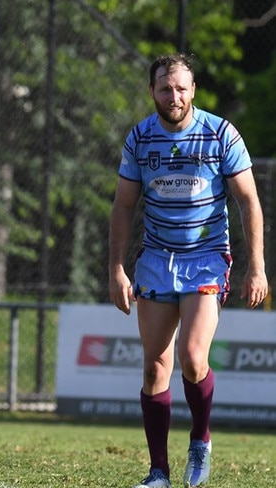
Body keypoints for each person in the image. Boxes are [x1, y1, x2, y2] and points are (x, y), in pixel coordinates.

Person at [108, 53, 268, 488]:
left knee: (193, 358)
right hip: (157, 260)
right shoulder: (140, 138)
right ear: (152, 92)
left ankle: (200, 438)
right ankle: (158, 471)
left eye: (181, 87)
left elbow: (249, 201)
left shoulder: (220, 133)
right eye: (165, 88)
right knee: (153, 368)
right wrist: (116, 269)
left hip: (206, 258)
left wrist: (257, 266)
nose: (173, 95)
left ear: (193, 89)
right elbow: (123, 206)